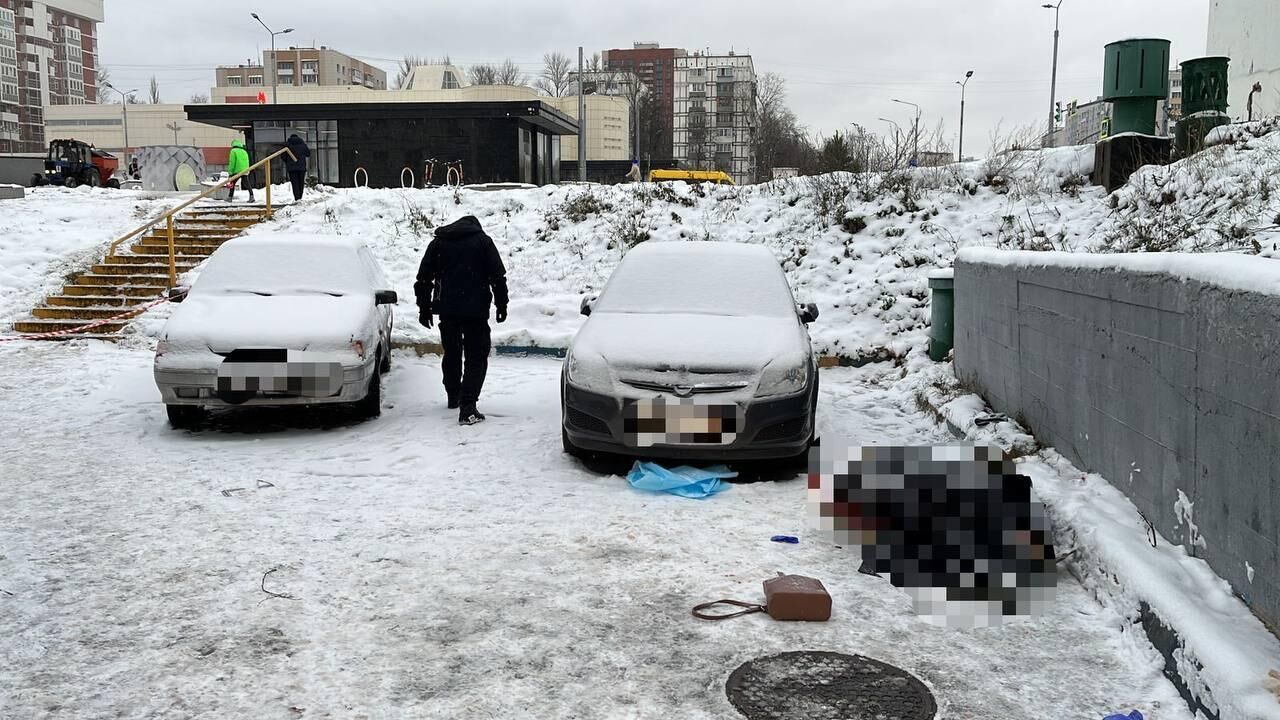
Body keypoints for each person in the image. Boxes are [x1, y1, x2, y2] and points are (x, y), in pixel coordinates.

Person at [414, 216, 509, 425]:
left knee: (452, 352)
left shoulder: (439, 242)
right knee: (477, 356)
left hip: (447, 310)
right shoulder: (483, 241)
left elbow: (423, 278)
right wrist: (502, 305)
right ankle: (468, 407)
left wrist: (424, 308)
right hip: (476, 311)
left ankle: (453, 395)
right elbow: (498, 276)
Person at [285, 133, 311, 202]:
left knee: (295, 183)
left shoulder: (287, 145)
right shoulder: (302, 144)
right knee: (301, 182)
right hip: (301, 167)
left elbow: (283, 156)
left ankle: (297, 198)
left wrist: (288, 161)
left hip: (292, 168)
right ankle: (300, 196)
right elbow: (308, 153)